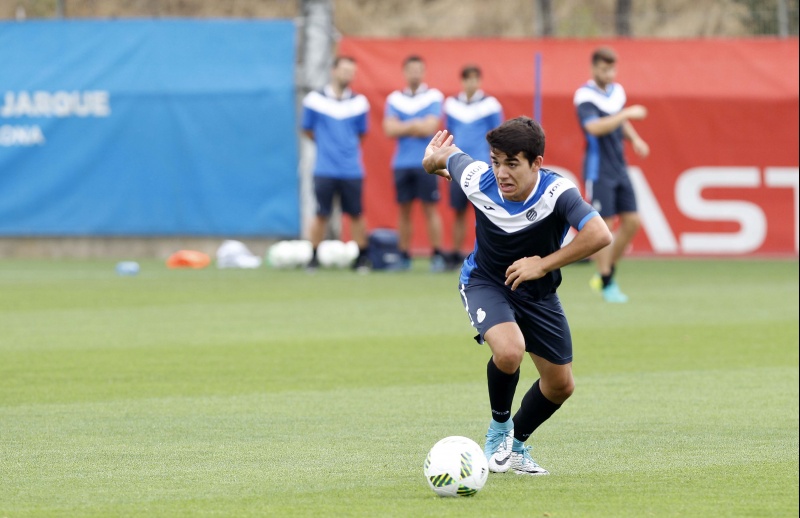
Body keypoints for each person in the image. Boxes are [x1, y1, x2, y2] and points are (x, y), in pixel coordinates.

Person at [421, 119, 612, 476]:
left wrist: (543, 264)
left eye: (512, 164)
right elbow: (440, 159)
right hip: (485, 282)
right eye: (496, 161)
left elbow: (599, 235)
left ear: (536, 163)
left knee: (560, 385)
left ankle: (517, 448)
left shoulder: (557, 193)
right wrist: (431, 160)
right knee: (509, 351)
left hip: (538, 294)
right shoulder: (478, 178)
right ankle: (498, 431)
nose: (501, 172)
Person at [574, 46, 649, 302]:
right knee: (604, 226)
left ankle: (607, 272)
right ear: (593, 68)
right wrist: (626, 113)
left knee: (632, 222)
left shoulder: (616, 92)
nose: (609, 74)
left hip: (619, 166)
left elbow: (620, 121)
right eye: (604, 69)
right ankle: (606, 281)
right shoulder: (584, 96)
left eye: (612, 69)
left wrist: (635, 139)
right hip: (598, 169)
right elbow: (594, 127)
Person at [302, 56, 370, 272]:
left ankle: (361, 258)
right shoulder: (314, 100)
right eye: (344, 70)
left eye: (351, 71)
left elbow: (361, 134)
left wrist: (344, 149)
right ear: (333, 70)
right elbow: (307, 130)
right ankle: (313, 257)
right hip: (325, 168)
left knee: (356, 214)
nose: (348, 75)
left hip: (351, 169)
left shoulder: (359, 102)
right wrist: (328, 147)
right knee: (321, 213)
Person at [383, 55, 447, 272]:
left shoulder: (433, 96)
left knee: (430, 209)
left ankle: (437, 255)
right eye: (411, 69)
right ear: (404, 72)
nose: (415, 73)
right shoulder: (394, 99)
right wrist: (416, 124)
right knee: (404, 211)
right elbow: (390, 129)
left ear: (424, 72)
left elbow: (430, 127)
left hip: (428, 162)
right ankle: (403, 256)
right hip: (402, 163)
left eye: (418, 69)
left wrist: (404, 125)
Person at [443, 65, 504, 270]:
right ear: (462, 81)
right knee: (458, 212)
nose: (471, 83)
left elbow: (498, 137)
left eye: (475, 79)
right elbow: (449, 133)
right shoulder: (451, 104)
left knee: (486, 212)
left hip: (483, 168)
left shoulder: (490, 105)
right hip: (458, 166)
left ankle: (488, 255)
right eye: (467, 79)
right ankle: (455, 254)